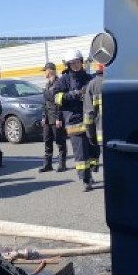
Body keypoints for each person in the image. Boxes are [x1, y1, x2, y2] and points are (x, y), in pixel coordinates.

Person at [54, 50, 94, 191]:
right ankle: (85, 179)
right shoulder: (63, 80)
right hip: (73, 121)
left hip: (89, 119)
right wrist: (74, 94)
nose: (76, 65)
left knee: (91, 149)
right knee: (80, 152)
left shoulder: (89, 78)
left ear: (81, 62)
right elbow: (56, 97)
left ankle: (89, 173)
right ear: (68, 65)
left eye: (78, 62)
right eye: (73, 63)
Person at [39, 62, 67, 172]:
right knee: (47, 141)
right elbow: (44, 103)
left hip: (56, 117)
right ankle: (48, 165)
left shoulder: (59, 84)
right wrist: (43, 117)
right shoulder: (47, 85)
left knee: (60, 141)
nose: (44, 73)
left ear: (50, 71)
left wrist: (59, 118)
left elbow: (60, 103)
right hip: (47, 118)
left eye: (45, 71)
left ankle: (62, 164)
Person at [84, 63, 104, 175]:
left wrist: (90, 134)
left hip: (101, 132)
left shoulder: (92, 85)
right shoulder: (117, 81)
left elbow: (89, 114)